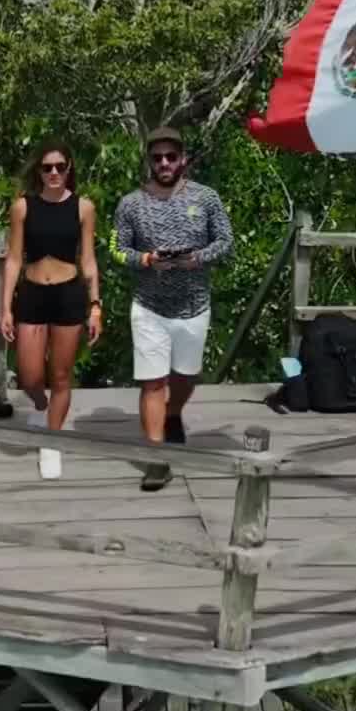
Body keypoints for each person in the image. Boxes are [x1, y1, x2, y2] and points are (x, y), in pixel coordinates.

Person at [113, 126, 233, 490]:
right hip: (148, 307)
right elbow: (117, 250)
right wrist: (146, 259)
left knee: (185, 376)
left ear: (183, 159)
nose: (163, 163)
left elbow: (226, 240)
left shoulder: (207, 197)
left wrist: (198, 258)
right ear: (148, 161)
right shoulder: (130, 204)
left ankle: (174, 413)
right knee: (152, 382)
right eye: (156, 157)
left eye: (170, 156)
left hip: (194, 305)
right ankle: (156, 459)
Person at [0, 138, 102, 437]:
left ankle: (52, 442)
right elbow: (14, 260)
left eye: (60, 166)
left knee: (60, 377)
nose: (54, 173)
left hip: (68, 294)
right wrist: (5, 308)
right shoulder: (22, 207)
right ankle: (41, 407)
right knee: (30, 378)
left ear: (69, 169)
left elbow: (89, 261)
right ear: (39, 172)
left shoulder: (84, 208)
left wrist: (95, 306)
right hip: (32, 294)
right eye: (47, 168)